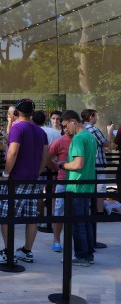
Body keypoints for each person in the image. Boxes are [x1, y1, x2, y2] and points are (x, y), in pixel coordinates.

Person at [0, 99, 49, 265]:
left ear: (16, 113)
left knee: (5, 216)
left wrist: (6, 173)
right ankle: (27, 251)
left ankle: (8, 252)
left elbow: (13, 152)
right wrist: (37, 172)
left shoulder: (17, 128)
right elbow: (45, 156)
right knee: (31, 217)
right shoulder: (41, 132)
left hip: (16, 179)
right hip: (33, 179)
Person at [59, 110, 98, 266]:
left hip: (76, 185)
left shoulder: (78, 139)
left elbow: (77, 164)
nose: (64, 130)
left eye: (65, 126)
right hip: (87, 185)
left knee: (77, 223)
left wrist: (62, 165)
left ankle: (81, 256)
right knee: (86, 221)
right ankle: (88, 255)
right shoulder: (90, 136)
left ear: (73, 122)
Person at [81, 109, 114, 215]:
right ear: (91, 117)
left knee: (89, 187)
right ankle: (99, 211)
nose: (97, 118)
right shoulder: (93, 129)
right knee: (100, 187)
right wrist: (109, 131)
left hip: (86, 163)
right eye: (95, 116)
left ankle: (88, 210)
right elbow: (106, 144)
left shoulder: (81, 129)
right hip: (97, 163)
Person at [46, 132, 72, 253]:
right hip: (62, 181)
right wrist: (56, 167)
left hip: (78, 181)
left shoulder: (81, 139)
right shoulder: (60, 141)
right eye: (64, 126)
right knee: (59, 212)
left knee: (78, 213)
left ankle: (79, 242)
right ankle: (56, 240)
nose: (66, 128)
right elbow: (47, 156)